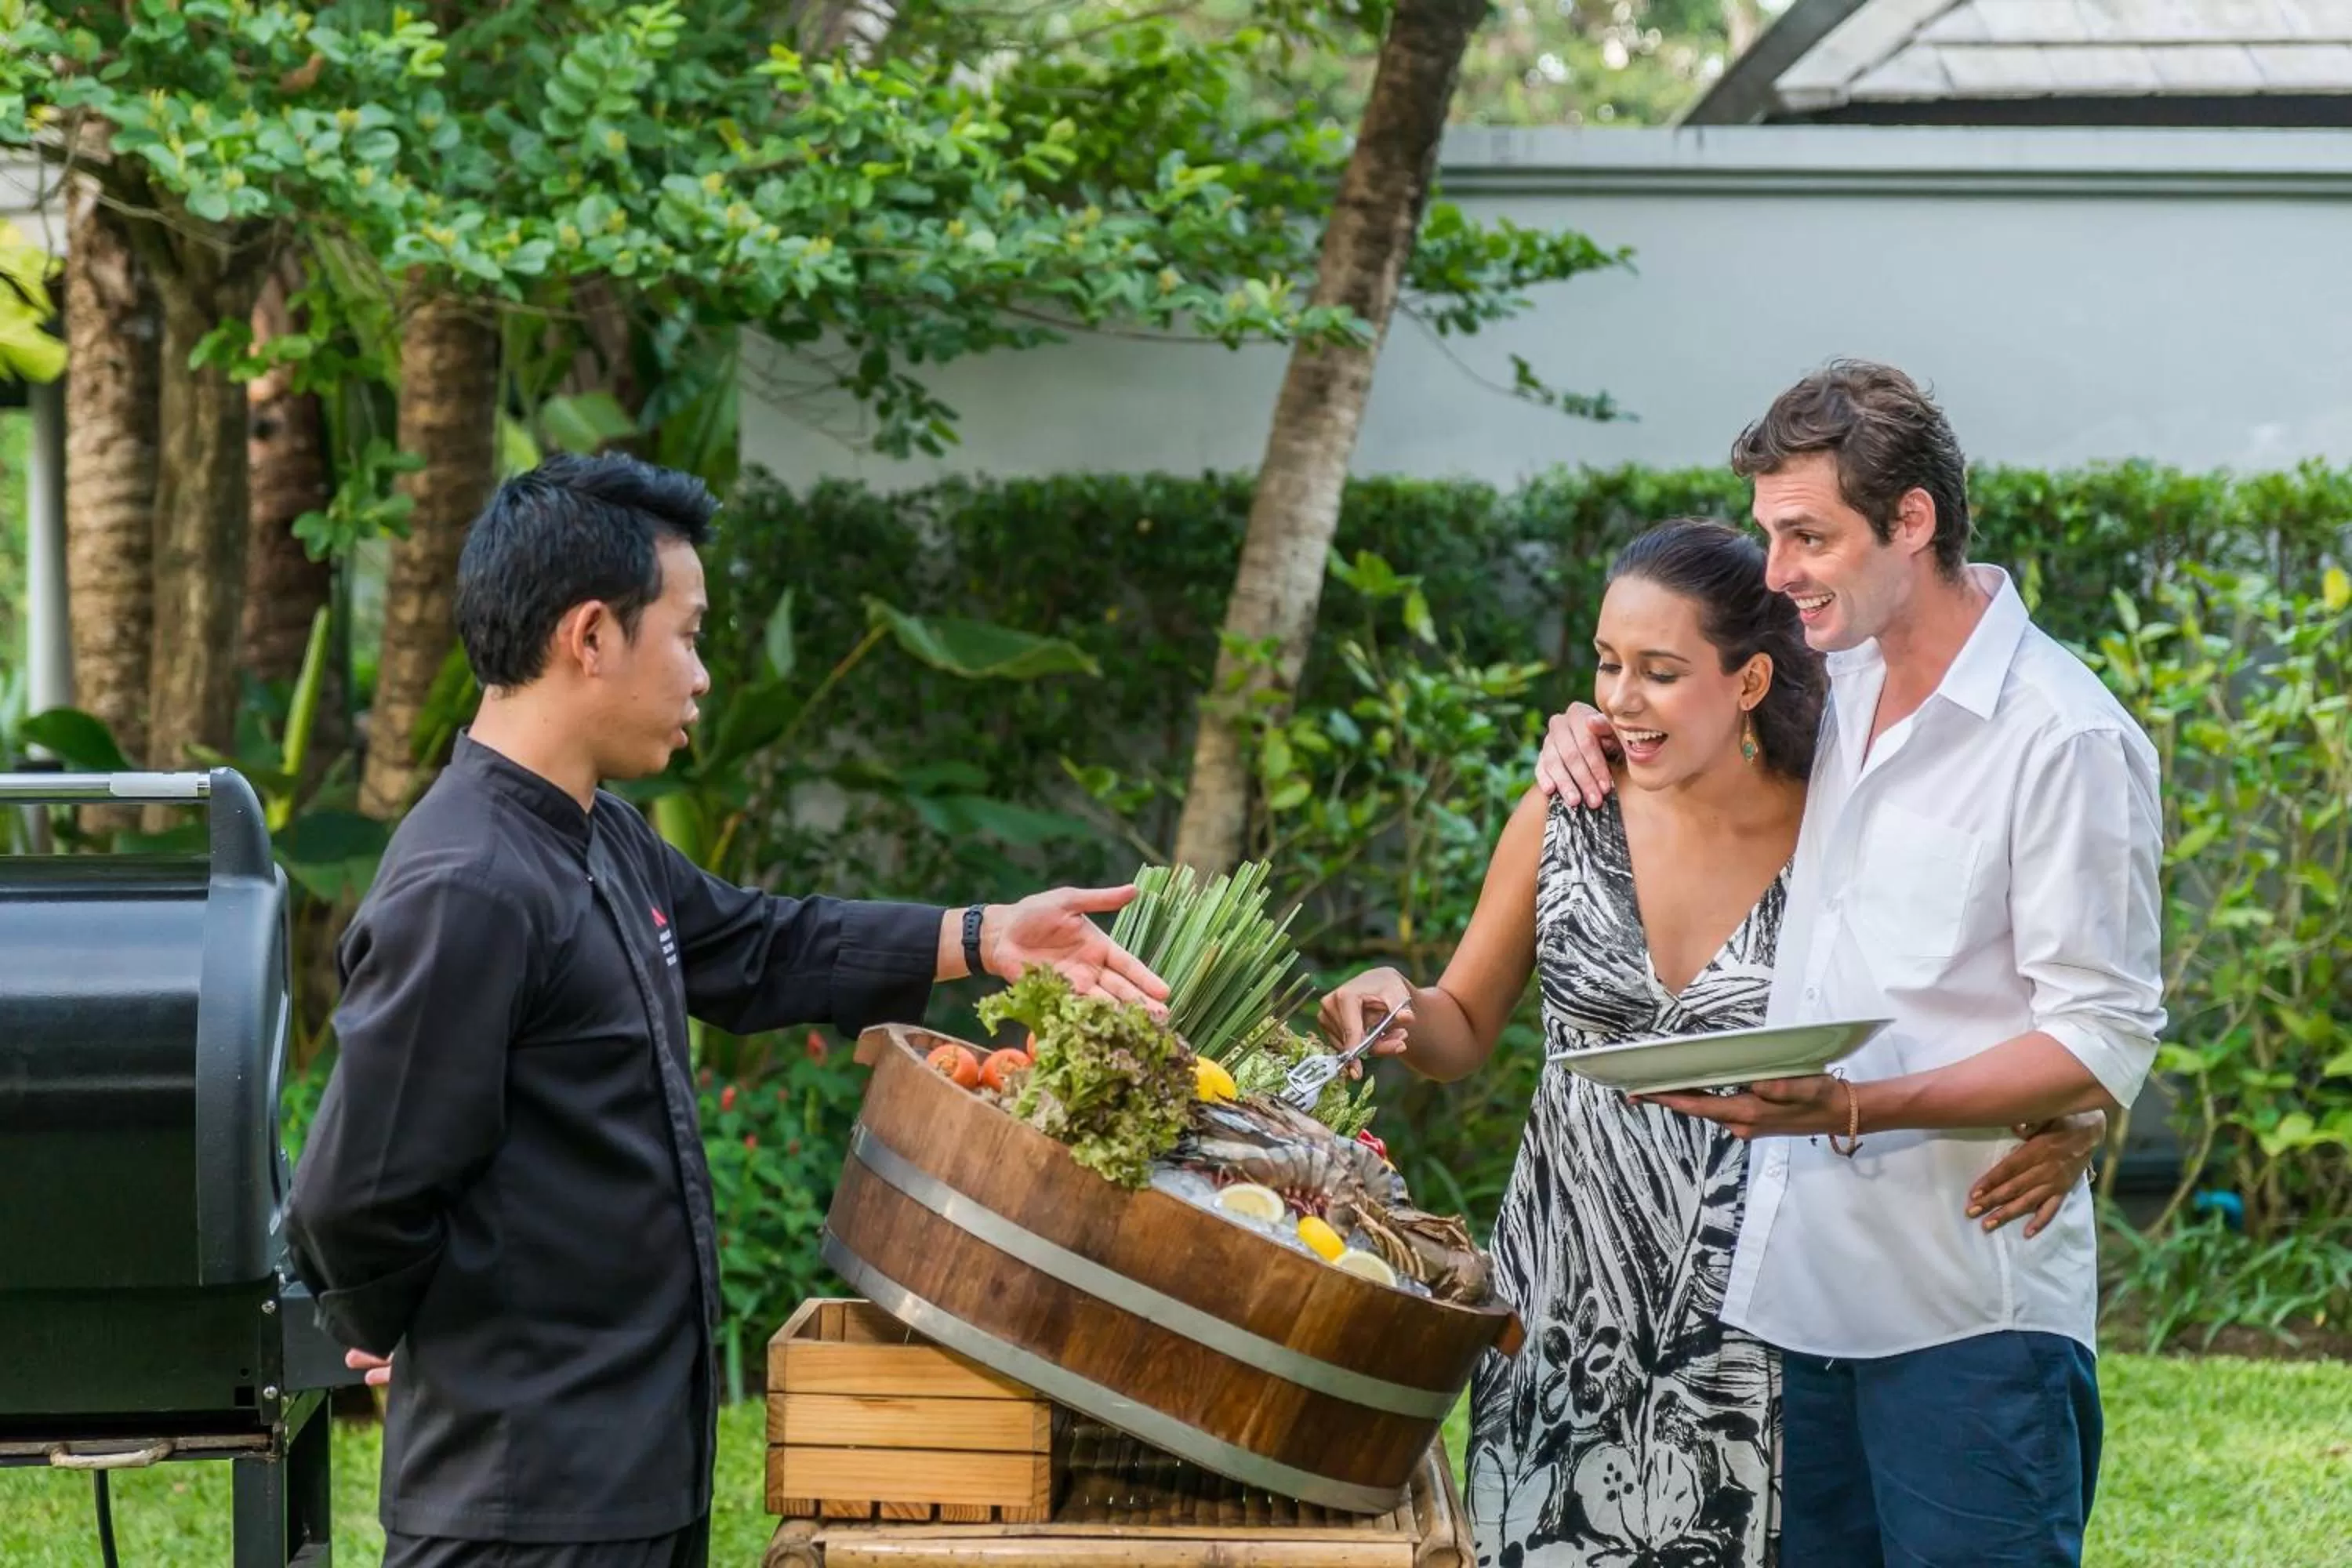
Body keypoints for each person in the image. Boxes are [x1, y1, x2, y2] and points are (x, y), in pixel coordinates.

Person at [286, 452, 1170, 1568]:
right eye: (690, 633)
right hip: (523, 1511)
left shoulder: (597, 832)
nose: (702, 675)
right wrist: (408, 1334)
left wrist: (983, 935)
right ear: (592, 636)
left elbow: (755, 947)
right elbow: (351, 1196)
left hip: (632, 1479)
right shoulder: (469, 883)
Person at [1318, 519, 2098, 1566]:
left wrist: (2079, 1108)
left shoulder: (1841, 822)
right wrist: (1399, 1008)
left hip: (1763, 1309)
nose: (1621, 698)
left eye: (1660, 670)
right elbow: (1462, 1024)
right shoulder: (1563, 812)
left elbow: (1978, 978)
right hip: (1566, 1294)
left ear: (1748, 680)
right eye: (1606, 664)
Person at [1536, 361, 2165, 1567]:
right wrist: (1588, 728)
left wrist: (1870, 1106)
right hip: (1793, 1309)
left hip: (1968, 1320)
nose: (1777, 574)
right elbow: (1681, 705)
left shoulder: (2065, 737)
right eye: (1773, 535)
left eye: (1807, 536)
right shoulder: (1837, 678)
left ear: (1911, 521)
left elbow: (2103, 1032)